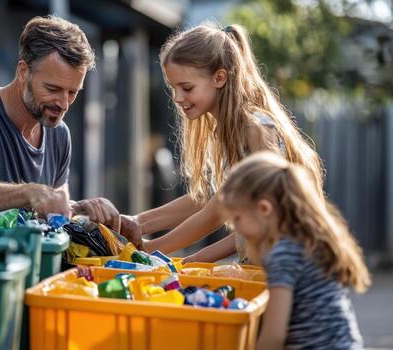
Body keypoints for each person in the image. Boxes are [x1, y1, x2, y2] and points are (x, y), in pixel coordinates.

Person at [120, 22, 324, 262]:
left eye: (186, 87)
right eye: (173, 88)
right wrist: (139, 224)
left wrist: (153, 249)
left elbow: (218, 209)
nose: (177, 97)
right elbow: (208, 200)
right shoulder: (229, 131)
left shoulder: (255, 129)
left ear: (219, 78)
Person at [0, 15, 120, 229]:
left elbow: (56, 214)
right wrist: (31, 192)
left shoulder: (59, 134)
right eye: (53, 89)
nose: (63, 104)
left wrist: (82, 209)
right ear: (23, 71)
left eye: (72, 92)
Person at [219, 151, 370, 350]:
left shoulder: (283, 254)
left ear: (264, 209)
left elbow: (273, 337)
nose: (235, 228)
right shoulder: (311, 240)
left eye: (237, 218)